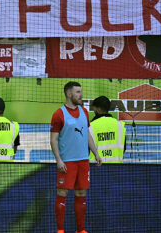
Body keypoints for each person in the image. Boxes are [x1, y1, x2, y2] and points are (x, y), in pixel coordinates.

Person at [50, 81, 102, 233]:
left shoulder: (85, 112)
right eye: (78, 92)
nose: (81, 95)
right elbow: (53, 140)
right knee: (62, 193)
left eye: (81, 92)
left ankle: (81, 230)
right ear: (69, 94)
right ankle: (60, 230)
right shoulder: (58, 114)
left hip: (83, 161)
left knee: (81, 194)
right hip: (67, 162)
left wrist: (96, 153)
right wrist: (59, 160)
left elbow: (87, 135)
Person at [89, 95, 126, 163]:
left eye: (94, 108)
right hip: (117, 167)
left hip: (95, 167)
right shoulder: (120, 125)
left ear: (98, 109)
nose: (94, 110)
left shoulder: (90, 126)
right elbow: (124, 147)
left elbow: (86, 149)